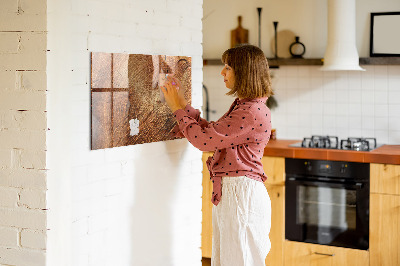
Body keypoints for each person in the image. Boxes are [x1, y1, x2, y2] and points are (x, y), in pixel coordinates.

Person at [161, 44, 273, 266]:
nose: (222, 72)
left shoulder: (250, 111)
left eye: (228, 67)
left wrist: (176, 108)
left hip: (241, 195)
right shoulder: (246, 106)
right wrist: (182, 103)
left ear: (244, 72)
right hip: (236, 193)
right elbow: (212, 133)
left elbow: (204, 141)